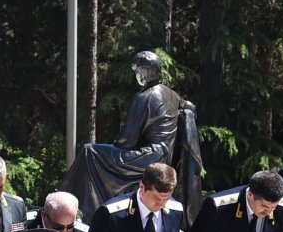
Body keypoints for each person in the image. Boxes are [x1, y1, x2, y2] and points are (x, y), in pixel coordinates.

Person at [60, 50, 203, 220]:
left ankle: (75, 208)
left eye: (137, 71)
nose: (136, 76)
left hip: (148, 157)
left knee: (90, 152)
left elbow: (127, 141)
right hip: (166, 156)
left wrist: (115, 144)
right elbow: (190, 109)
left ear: (144, 72)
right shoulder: (172, 94)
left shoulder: (144, 97)